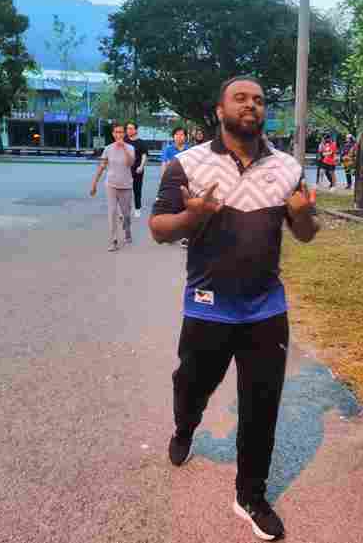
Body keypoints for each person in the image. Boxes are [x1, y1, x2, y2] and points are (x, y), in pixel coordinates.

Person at [149, 75, 319, 541]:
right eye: (240, 98)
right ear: (220, 110)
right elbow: (159, 229)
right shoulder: (188, 164)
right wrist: (193, 216)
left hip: (266, 310)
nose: (251, 105)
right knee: (191, 385)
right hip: (208, 308)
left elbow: (306, 233)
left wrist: (302, 214)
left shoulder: (287, 167)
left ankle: (250, 495)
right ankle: (185, 426)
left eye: (259, 100)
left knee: (261, 407)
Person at [91, 123, 135, 252]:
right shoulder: (108, 149)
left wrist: (124, 147)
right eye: (116, 132)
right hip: (111, 184)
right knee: (112, 212)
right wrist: (94, 184)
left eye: (121, 132)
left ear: (124, 134)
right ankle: (114, 240)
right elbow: (102, 166)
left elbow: (130, 163)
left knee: (126, 214)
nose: (119, 134)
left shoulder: (130, 148)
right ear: (113, 134)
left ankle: (127, 230)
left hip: (126, 185)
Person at [125, 122, 148, 218]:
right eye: (127, 128)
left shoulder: (141, 142)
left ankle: (137, 209)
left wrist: (141, 166)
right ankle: (124, 210)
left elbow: (144, 155)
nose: (129, 130)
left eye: (131, 128)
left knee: (137, 190)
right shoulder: (124, 141)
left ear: (135, 130)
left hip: (137, 170)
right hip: (125, 170)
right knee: (124, 191)